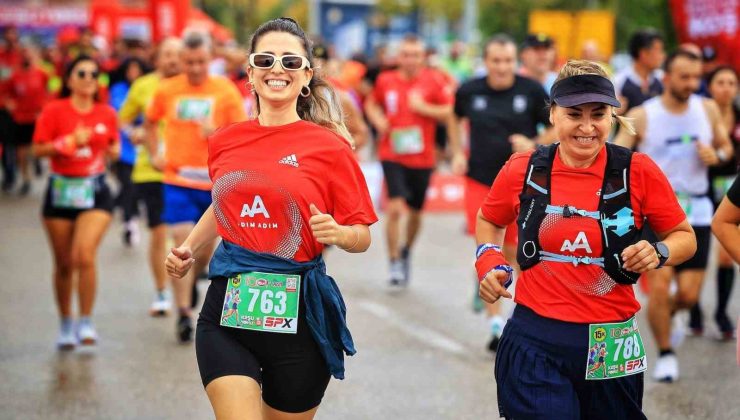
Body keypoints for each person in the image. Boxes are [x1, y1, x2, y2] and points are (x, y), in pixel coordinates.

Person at [165, 17, 377, 419]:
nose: (276, 69)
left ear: (306, 76)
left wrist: (340, 234)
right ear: (250, 72)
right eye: (265, 59)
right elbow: (225, 202)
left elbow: (362, 234)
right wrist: (189, 247)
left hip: (299, 320)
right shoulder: (225, 140)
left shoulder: (329, 148)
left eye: (290, 62)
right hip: (228, 310)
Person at [476, 60, 696, 418]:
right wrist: (488, 260)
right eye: (574, 114)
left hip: (611, 342)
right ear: (553, 115)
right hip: (535, 339)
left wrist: (658, 251)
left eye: (598, 114)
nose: (587, 127)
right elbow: (489, 219)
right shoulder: (524, 168)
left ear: (612, 115)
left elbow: (684, 237)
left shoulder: (637, 171)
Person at [614, 50, 734, 382]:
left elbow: (726, 148)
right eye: (684, 77)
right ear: (666, 78)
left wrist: (717, 155)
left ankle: (671, 313)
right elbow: (617, 155)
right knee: (660, 282)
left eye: (696, 77)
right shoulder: (644, 114)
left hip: (696, 209)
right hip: (653, 213)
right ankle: (666, 353)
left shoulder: (707, 109)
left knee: (690, 295)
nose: (692, 84)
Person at [449, 34, 552, 352]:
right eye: (496, 61)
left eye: (507, 61)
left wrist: (534, 144)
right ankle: (497, 325)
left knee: (515, 251)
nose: (502, 67)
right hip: (480, 179)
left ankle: (503, 299)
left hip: (521, 184)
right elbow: (454, 116)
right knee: (488, 247)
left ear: (515, 61)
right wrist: (457, 151)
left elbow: (555, 125)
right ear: (486, 61)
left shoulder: (531, 90)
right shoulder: (470, 90)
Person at [144, 31, 246, 342]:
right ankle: (184, 313)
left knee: (202, 251)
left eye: (201, 62)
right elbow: (149, 122)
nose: (196, 68)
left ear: (210, 58)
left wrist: (217, 131)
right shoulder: (167, 89)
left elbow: (242, 133)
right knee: (181, 241)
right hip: (177, 178)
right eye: (189, 63)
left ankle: (194, 283)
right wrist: (154, 153)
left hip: (214, 182)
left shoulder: (225, 90)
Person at [31, 55, 120, 349]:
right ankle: (66, 322)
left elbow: (113, 147)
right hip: (61, 191)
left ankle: (86, 321)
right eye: (82, 73)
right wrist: (66, 143)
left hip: (94, 190)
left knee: (84, 255)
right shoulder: (54, 111)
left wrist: (115, 150)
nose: (89, 78)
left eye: (95, 74)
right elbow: (38, 149)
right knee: (64, 263)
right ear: (69, 79)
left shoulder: (106, 113)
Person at [364, 34, 454, 287]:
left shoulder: (434, 81)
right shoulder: (386, 79)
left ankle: (405, 251)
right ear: (399, 57)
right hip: (392, 153)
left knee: (415, 212)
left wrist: (424, 108)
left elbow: (450, 113)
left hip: (422, 158)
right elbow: (372, 103)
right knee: (394, 208)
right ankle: (393, 261)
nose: (410, 60)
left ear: (423, 57)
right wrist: (378, 120)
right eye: (406, 54)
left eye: (415, 55)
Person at [119, 37, 183, 316]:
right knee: (159, 233)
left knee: (184, 234)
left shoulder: (193, 86)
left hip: (186, 170)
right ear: (156, 58)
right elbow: (123, 117)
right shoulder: (143, 86)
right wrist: (132, 133)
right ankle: (161, 292)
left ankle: (185, 284)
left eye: (177, 55)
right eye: (166, 54)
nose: (172, 59)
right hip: (150, 169)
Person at [689, 65, 739, 339]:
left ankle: (721, 313)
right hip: (704, 185)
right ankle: (694, 308)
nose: (727, 88)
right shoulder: (701, 115)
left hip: (733, 187)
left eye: (732, 82)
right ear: (710, 86)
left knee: (725, 253)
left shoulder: (739, 112)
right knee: (699, 248)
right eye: (721, 82)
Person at [109, 56, 148, 244]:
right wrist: (131, 129)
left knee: (135, 189)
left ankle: (131, 215)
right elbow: (119, 114)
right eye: (130, 70)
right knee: (127, 187)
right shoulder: (118, 90)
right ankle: (129, 222)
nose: (133, 74)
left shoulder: (149, 87)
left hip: (143, 149)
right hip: (124, 148)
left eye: (137, 70)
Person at [4, 42, 49, 195]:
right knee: (21, 151)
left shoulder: (42, 74)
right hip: (20, 119)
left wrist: (45, 108)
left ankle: (37, 163)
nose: (27, 57)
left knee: (36, 147)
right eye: (24, 54)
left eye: (29, 54)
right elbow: (5, 93)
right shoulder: (14, 76)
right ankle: (26, 178)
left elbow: (50, 91)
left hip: (37, 118)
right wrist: (8, 104)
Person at [613, 29, 665, 114]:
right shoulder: (618, 81)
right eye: (659, 50)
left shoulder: (662, 78)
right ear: (644, 53)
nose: (663, 56)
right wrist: (614, 112)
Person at [712, 177, 740, 263]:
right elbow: (721, 222)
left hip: (729, 179)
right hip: (718, 182)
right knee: (724, 258)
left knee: (725, 258)